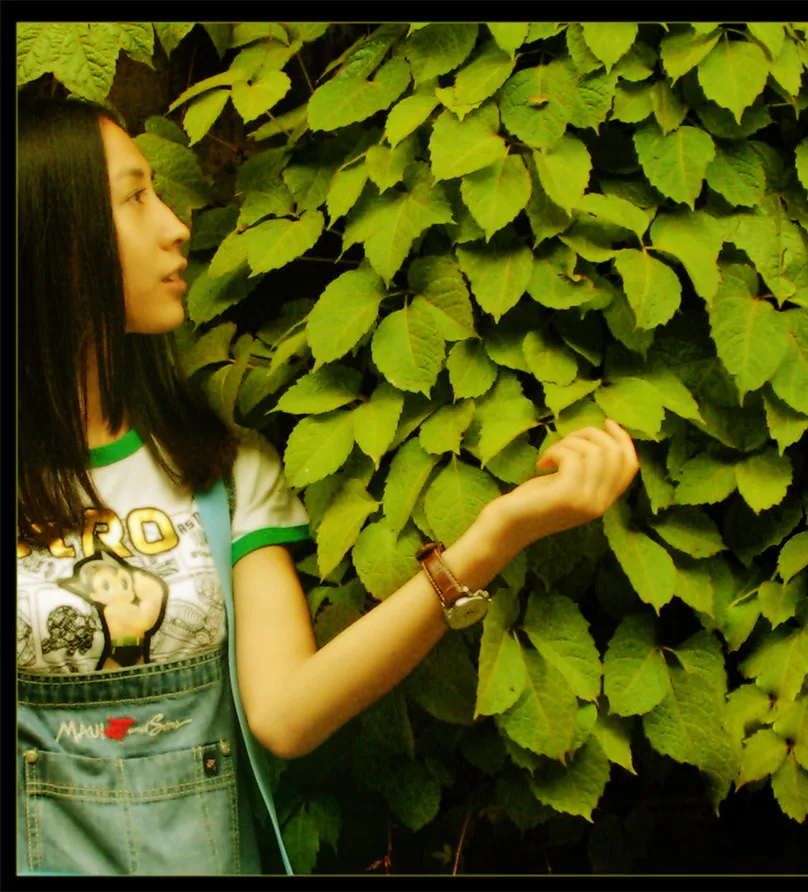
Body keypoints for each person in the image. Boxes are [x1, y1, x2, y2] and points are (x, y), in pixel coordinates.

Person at [16, 93, 640, 876]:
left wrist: (495, 536)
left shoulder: (222, 471)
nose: (175, 226)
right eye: (135, 198)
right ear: (55, 239)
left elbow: (287, 716)